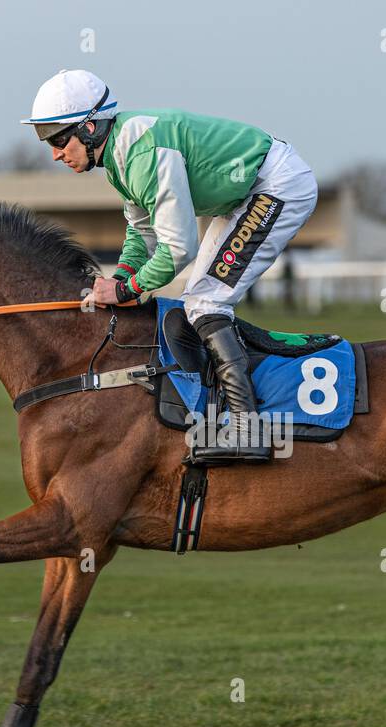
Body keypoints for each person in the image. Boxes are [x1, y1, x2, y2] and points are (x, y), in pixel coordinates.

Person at [22, 69, 318, 463]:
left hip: (276, 186)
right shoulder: (120, 155)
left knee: (205, 302)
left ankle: (248, 429)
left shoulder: (143, 152)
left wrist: (128, 291)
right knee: (201, 300)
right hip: (244, 196)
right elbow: (141, 229)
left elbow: (179, 248)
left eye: (59, 140)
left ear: (90, 127)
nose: (56, 154)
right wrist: (124, 275)